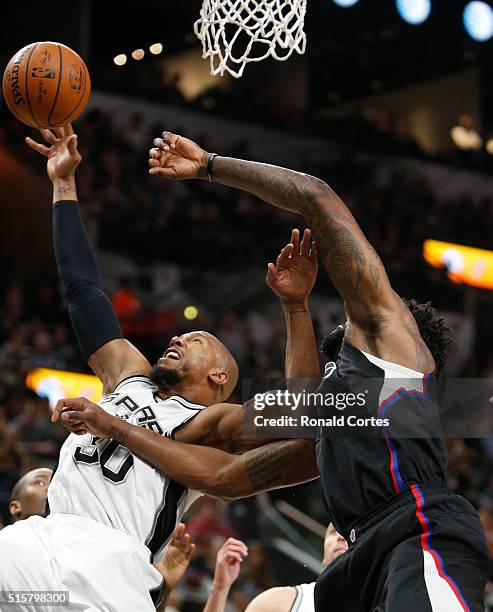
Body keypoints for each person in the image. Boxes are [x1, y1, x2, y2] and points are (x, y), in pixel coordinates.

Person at [146, 131, 488, 611]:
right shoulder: (346, 408)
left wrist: (209, 165)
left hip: (420, 529)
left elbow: (316, 196)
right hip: (364, 550)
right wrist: (295, 307)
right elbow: (300, 412)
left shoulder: (392, 337)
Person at [0, 125, 319, 611]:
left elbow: (306, 413)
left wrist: (296, 309)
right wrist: (63, 186)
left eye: (194, 341)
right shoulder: (129, 371)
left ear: (218, 378)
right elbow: (83, 291)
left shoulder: (209, 424)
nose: (175, 338)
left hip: (111, 567)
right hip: (38, 544)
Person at [8, 467, 194, 612]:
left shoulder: (90, 546)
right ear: (16, 507)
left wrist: (162, 588)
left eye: (55, 480)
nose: (51, 487)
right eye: (40, 482)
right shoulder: (12, 546)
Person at [245, 524, 348, 612]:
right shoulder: (277, 602)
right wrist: (227, 586)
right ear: (324, 557)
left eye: (349, 531)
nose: (340, 537)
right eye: (333, 531)